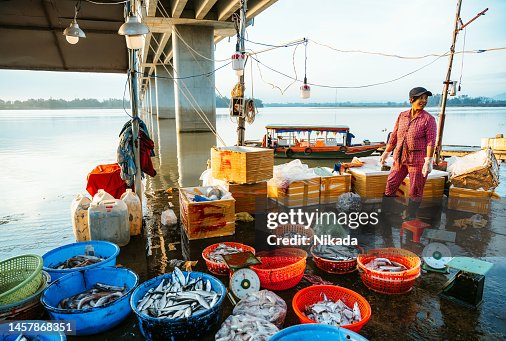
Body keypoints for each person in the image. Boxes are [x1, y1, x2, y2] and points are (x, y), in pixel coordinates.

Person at [379, 87, 437, 220]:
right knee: (391, 183)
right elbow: (394, 135)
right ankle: (385, 213)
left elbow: (431, 142)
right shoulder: (402, 115)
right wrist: (386, 152)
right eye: (421, 98)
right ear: (412, 99)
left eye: (426, 98)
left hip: (418, 161)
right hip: (400, 158)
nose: (424, 101)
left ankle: (410, 217)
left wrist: (428, 161)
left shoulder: (428, 119)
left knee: (415, 190)